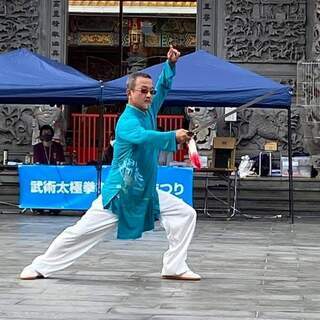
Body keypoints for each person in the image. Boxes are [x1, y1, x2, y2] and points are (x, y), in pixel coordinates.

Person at [20, 46, 201, 281]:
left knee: (185, 214)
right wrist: (172, 136)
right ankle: (40, 266)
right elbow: (144, 137)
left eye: (150, 91)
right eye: (143, 91)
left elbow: (164, 89)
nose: (149, 95)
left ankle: (174, 266)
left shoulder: (149, 110)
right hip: (119, 192)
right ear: (130, 93)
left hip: (145, 191)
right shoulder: (127, 121)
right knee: (80, 233)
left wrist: (170, 66)